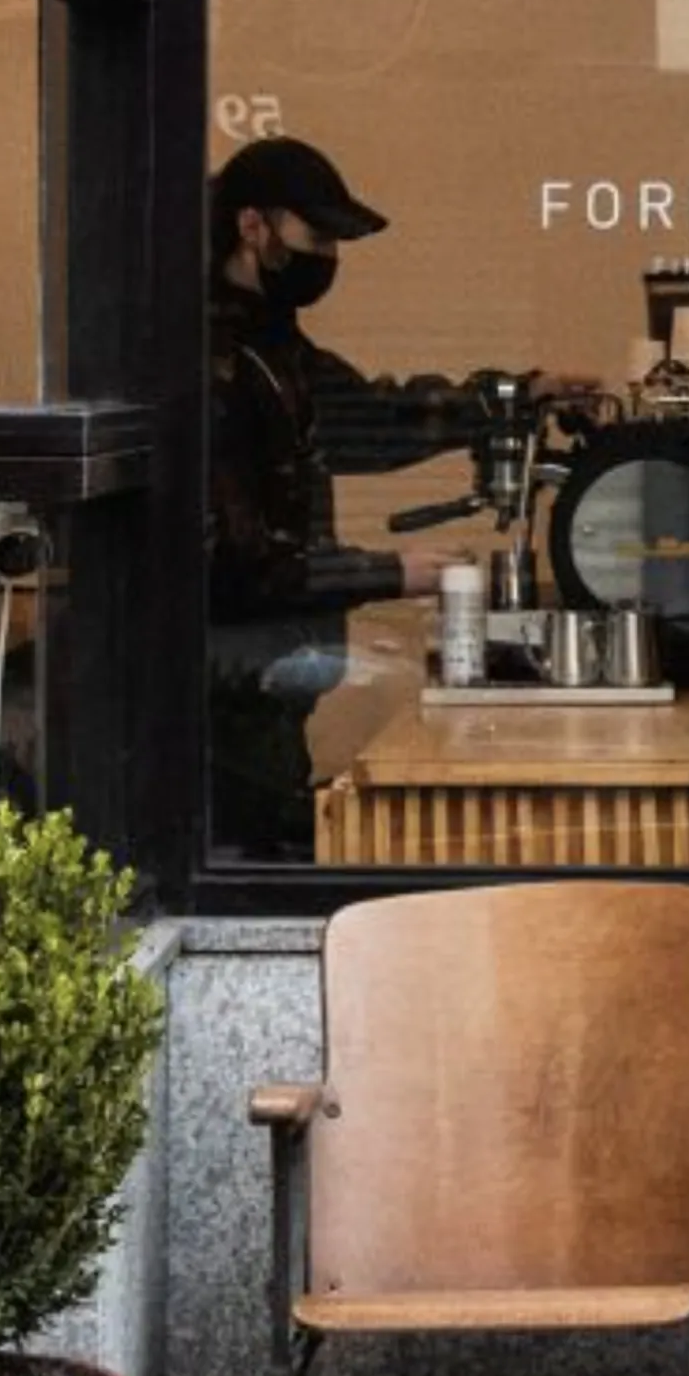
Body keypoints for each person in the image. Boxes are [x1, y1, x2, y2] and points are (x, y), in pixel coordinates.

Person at [206, 136, 471, 858]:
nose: (329, 257)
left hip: (268, 688)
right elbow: (242, 563)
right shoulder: (211, 362)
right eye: (316, 234)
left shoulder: (275, 346)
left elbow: (373, 421)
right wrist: (394, 573)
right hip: (217, 698)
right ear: (251, 226)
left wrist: (510, 400)